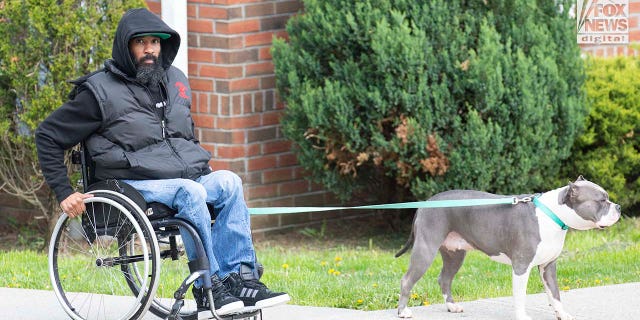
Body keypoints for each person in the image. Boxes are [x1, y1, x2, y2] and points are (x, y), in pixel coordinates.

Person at [35, 7, 289, 315]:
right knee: (190, 192)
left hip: (182, 177)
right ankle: (209, 286)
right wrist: (64, 191)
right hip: (132, 182)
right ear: (125, 46)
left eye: (155, 42)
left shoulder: (174, 80)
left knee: (229, 182)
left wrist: (200, 168)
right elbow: (47, 135)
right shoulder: (98, 92)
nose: (149, 50)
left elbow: (185, 137)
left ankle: (241, 279)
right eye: (140, 42)